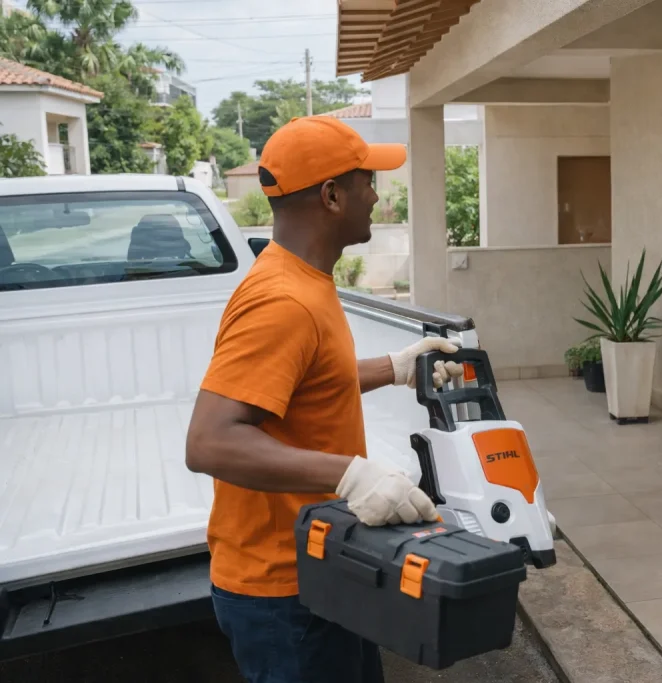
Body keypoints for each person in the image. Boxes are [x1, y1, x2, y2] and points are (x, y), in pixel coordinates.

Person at [185, 115, 464, 683]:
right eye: (367, 181)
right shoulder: (282, 300)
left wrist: (396, 368)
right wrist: (351, 476)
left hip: (322, 567)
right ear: (332, 196)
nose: (376, 195)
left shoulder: (304, 280)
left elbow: (306, 381)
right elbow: (210, 442)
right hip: (282, 594)